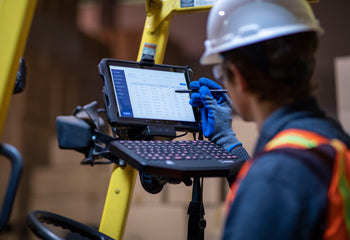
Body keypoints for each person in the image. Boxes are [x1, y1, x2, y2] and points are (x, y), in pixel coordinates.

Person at [189, 0, 350, 239]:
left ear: (238, 76)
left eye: (221, 72)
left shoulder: (274, 177)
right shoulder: (330, 137)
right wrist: (227, 141)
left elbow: (275, 185)